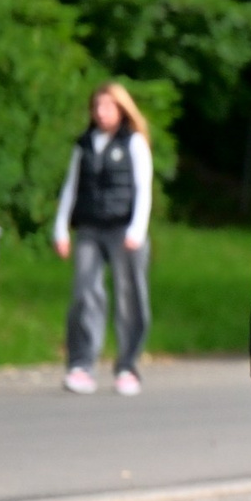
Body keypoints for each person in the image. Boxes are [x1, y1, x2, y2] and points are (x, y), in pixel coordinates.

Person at [52, 83, 154, 396]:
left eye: (108, 106)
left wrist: (136, 231)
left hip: (124, 230)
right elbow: (71, 188)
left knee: (129, 297)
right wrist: (60, 229)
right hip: (90, 229)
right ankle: (81, 364)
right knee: (85, 292)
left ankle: (127, 366)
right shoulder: (83, 145)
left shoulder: (134, 142)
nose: (101, 112)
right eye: (96, 106)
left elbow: (143, 188)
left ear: (121, 109)